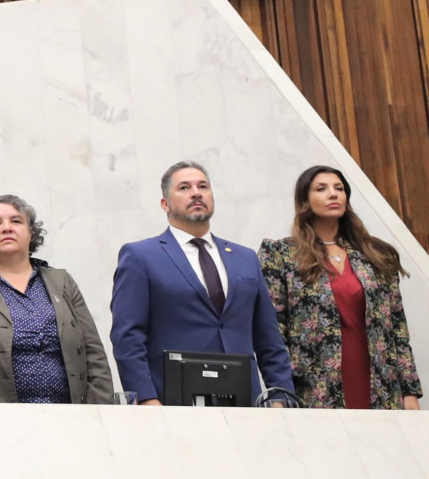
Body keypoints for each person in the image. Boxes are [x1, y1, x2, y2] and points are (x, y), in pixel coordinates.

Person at [110, 161, 295, 405]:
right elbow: (128, 336)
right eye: (184, 187)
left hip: (244, 403)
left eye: (203, 186)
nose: (196, 192)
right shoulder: (141, 256)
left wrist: (281, 395)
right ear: (165, 203)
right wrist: (146, 399)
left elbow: (268, 337)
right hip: (173, 403)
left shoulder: (245, 257)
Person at [259, 165, 423, 409]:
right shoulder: (280, 254)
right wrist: (279, 395)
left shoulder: (376, 255)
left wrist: (409, 392)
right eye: (321, 189)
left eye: (339, 188)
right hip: (314, 389)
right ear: (305, 199)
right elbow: (274, 330)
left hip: (381, 386)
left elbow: (398, 330)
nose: (333, 194)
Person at [0, 195, 114, 403]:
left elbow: (94, 353)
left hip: (71, 418)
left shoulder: (62, 282)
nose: (6, 228)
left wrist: (99, 411)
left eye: (16, 221)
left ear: (31, 232)